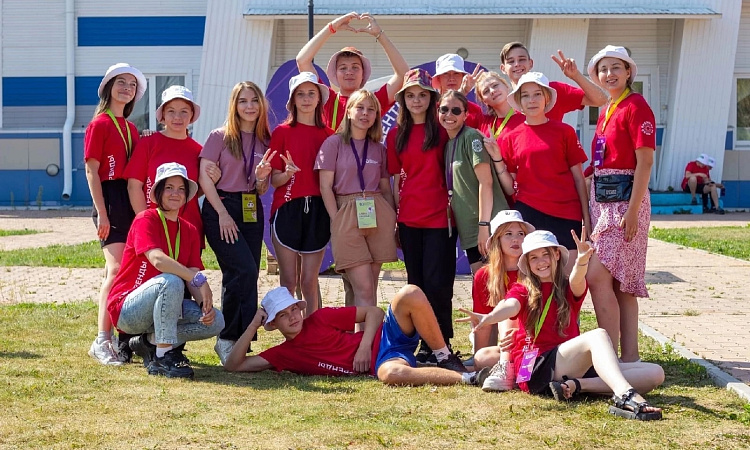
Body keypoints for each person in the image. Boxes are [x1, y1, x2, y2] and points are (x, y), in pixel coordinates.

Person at [460, 230, 664, 420]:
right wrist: (490, 317)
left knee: (655, 373)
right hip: (536, 368)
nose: (541, 262)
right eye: (534, 257)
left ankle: (577, 386)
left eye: (545, 254)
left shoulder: (567, 285)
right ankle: (625, 395)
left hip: (570, 365)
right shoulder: (522, 289)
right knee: (598, 335)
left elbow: (577, 281)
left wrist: (581, 261)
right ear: (527, 263)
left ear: (556, 255)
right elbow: (510, 306)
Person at [223, 285, 493, 387]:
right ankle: (469, 377)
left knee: (409, 293)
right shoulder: (283, 354)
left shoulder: (320, 317)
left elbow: (374, 312)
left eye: (294, 309)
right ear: (273, 324)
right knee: (390, 375)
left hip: (387, 335)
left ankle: (444, 357)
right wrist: (253, 325)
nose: (293, 316)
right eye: (284, 315)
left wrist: (364, 346)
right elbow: (234, 365)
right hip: (386, 360)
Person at [107, 163, 224, 379]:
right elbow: (157, 260)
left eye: (181, 189)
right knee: (171, 280)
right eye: (169, 187)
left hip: (164, 308)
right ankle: (163, 356)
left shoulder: (189, 230)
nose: (175, 193)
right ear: (158, 192)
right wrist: (196, 278)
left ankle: (148, 342)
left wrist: (204, 304)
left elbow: (193, 277)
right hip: (127, 309)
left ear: (187, 195)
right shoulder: (145, 219)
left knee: (217, 321)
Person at [585, 45, 657, 362]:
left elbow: (645, 162)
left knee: (598, 275)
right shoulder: (606, 110)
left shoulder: (637, 105)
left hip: (626, 201)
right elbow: (600, 159)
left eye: (616, 67)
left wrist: (632, 210)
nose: (609, 74)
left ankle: (608, 359)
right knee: (619, 284)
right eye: (603, 69)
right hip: (602, 201)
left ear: (628, 72)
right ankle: (629, 358)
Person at [199, 81, 274, 365]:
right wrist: (222, 213)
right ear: (234, 105)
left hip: (251, 207)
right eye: (243, 101)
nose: (250, 106)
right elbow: (204, 178)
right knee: (242, 269)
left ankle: (240, 340)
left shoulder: (265, 140)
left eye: (254, 100)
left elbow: (261, 188)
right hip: (222, 207)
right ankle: (227, 338)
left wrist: (262, 178)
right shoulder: (219, 136)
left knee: (246, 274)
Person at [385, 69, 456, 364]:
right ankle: (423, 343)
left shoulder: (443, 130)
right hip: (409, 220)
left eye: (422, 95)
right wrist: (395, 220)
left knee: (439, 283)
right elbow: (394, 181)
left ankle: (442, 343)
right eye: (411, 95)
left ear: (432, 99)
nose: (416, 100)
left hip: (440, 218)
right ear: (403, 99)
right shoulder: (395, 134)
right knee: (416, 284)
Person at [85, 63, 146, 365]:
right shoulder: (99, 124)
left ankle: (124, 338)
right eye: (121, 82)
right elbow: (91, 171)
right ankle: (101, 340)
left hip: (130, 197)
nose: (127, 88)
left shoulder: (131, 128)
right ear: (108, 87)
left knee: (127, 270)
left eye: (132, 85)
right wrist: (102, 213)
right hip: (109, 200)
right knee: (116, 269)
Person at [499, 72, 590, 270]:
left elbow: (579, 179)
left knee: (567, 277)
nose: (531, 100)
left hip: (566, 213)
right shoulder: (510, 137)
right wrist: (497, 161)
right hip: (529, 213)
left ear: (547, 98)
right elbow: (510, 186)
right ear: (519, 101)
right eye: (525, 95)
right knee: (535, 277)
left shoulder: (565, 131)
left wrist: (587, 219)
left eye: (537, 94)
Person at [317, 89, 397, 309]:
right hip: (346, 212)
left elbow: (385, 188)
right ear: (349, 111)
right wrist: (337, 219)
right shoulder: (333, 143)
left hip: (377, 213)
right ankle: (365, 331)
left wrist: (392, 217)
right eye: (360, 108)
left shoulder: (378, 148)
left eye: (371, 110)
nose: (365, 113)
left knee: (369, 286)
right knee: (364, 288)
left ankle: (363, 331)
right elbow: (325, 186)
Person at [269, 72, 334, 314]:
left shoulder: (329, 135)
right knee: (289, 282)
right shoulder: (281, 132)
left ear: (319, 99)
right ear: (292, 100)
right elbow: (274, 180)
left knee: (309, 281)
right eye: (300, 94)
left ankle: (312, 330)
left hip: (318, 211)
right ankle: (290, 330)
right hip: (287, 209)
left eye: (311, 94)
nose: (306, 99)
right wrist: (287, 174)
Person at [439, 90, 513, 274]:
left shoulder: (471, 137)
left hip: (488, 224)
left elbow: (486, 183)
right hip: (470, 227)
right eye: (444, 109)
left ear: (465, 115)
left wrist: (484, 226)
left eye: (456, 111)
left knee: (496, 281)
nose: (449, 115)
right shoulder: (449, 144)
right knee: (482, 282)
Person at [296, 11, 408, 131]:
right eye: (343, 68)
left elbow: (404, 75)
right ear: (335, 74)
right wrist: (332, 27)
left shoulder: (374, 102)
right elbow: (302, 60)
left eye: (355, 67)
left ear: (363, 73)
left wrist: (379, 34)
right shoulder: (326, 98)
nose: (349, 72)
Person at [125, 86, 208, 244]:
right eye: (171, 111)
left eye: (184, 111)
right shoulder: (148, 144)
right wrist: (145, 222)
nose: (177, 117)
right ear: (162, 114)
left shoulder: (199, 151)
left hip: (188, 228)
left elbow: (196, 190)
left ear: (192, 115)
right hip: (154, 226)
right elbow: (134, 186)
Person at [468, 210, 534, 391]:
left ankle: (520, 372)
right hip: (508, 348)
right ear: (497, 240)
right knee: (482, 358)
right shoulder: (484, 275)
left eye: (521, 234)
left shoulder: (536, 270)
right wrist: (477, 361)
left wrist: (520, 332)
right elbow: (483, 323)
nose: (516, 239)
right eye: (508, 234)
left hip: (534, 342)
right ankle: (513, 371)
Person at [499, 42, 607, 121]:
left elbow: (601, 100)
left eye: (521, 59)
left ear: (530, 63)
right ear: (503, 69)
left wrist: (576, 75)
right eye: (511, 61)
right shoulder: (502, 103)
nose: (517, 64)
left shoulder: (554, 91)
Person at [431, 53, 484, 128]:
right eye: (446, 74)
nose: (451, 78)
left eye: (456, 73)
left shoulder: (475, 110)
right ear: (439, 78)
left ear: (463, 77)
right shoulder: (430, 109)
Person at [473, 71, 524, 139]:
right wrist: (464, 91)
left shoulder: (525, 118)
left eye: (495, 85)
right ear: (484, 101)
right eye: (486, 91)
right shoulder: (484, 122)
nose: (492, 91)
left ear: (506, 86)